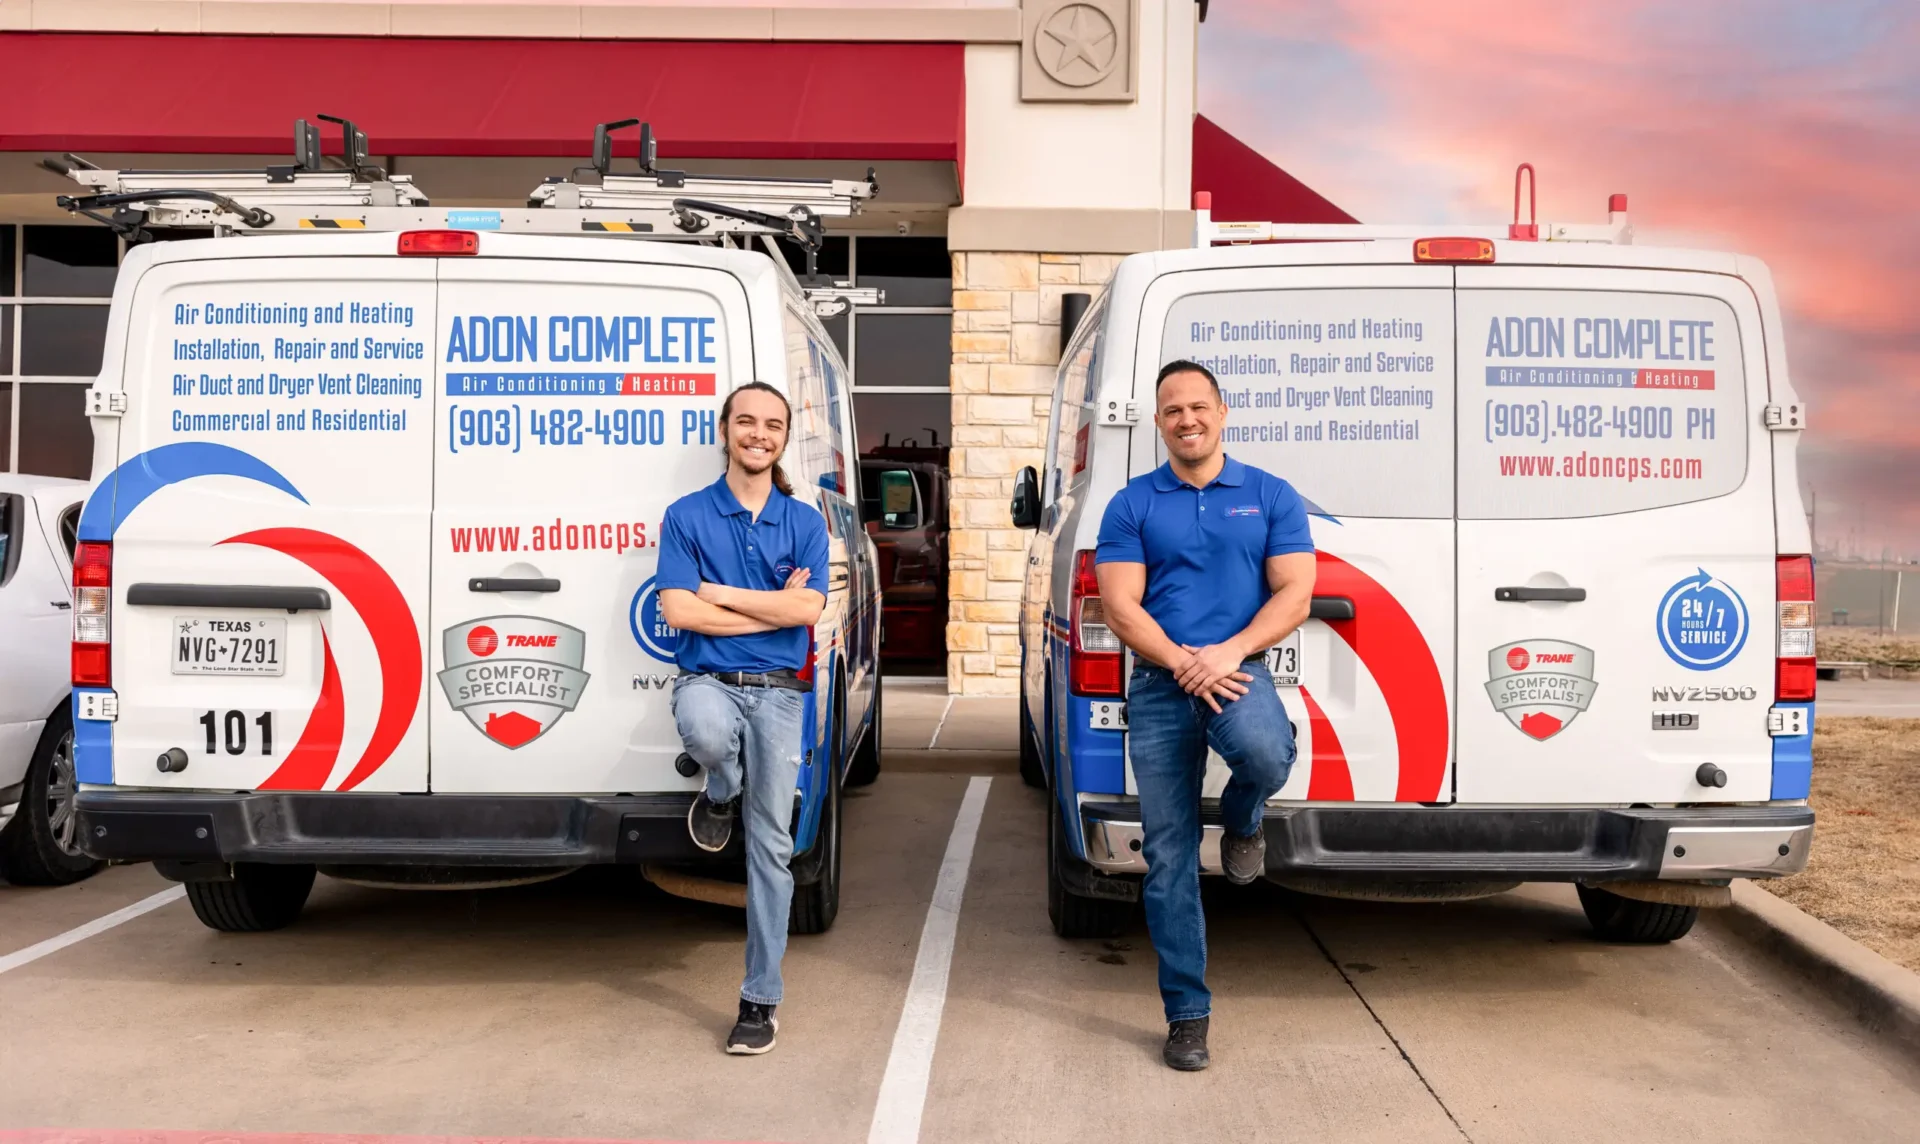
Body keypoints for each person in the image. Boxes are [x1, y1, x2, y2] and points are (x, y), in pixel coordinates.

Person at [1093, 359, 1317, 1071]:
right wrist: (1183, 662)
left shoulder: (1270, 494)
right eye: (1172, 411)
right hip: (1161, 687)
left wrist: (1228, 652)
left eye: (1198, 407)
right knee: (1167, 858)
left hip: (1238, 671)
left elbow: (1295, 595)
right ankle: (1187, 1014)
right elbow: (1121, 607)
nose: (1187, 420)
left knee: (1266, 756)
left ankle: (1246, 818)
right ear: (1158, 423)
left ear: (1222, 413)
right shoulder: (1131, 504)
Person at [656, 381, 830, 1056]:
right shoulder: (687, 514)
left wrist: (719, 594)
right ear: (725, 430)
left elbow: (807, 612)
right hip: (709, 682)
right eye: (747, 422)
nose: (760, 434)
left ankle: (760, 999)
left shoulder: (804, 522)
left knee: (772, 850)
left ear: (784, 439)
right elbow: (677, 612)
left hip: (782, 695)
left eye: (774, 425)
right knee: (702, 731)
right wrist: (768, 607)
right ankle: (719, 789)